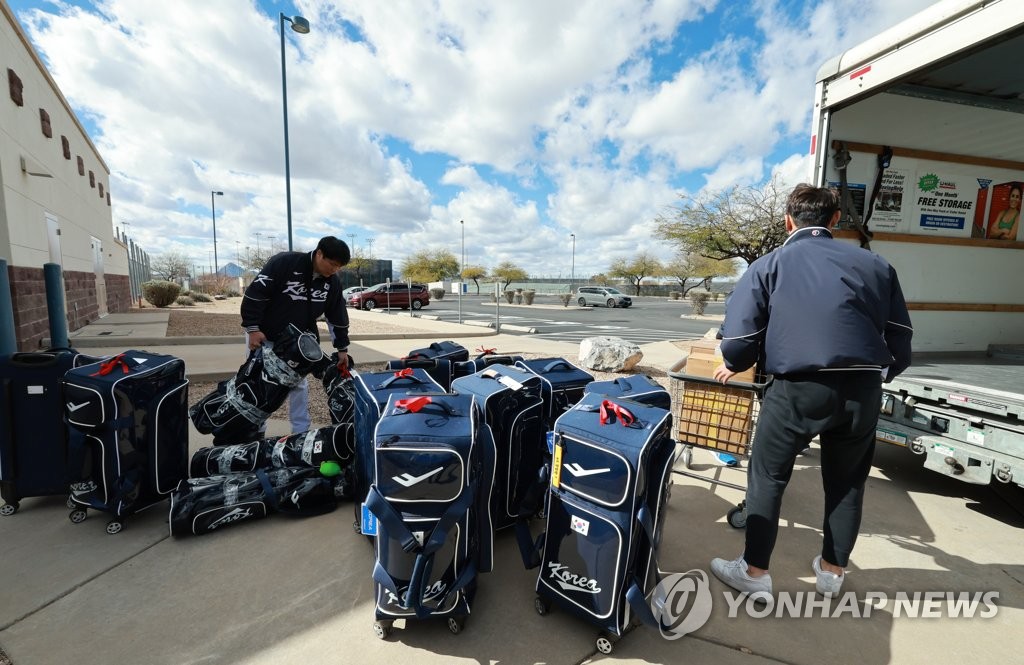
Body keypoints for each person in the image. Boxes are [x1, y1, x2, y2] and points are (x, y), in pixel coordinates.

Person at [709, 184, 913, 601]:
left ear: (789, 221)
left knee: (768, 476)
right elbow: (901, 338)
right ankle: (832, 573)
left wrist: (733, 364)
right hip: (862, 388)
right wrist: (881, 375)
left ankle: (754, 571)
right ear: (835, 220)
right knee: (847, 483)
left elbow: (738, 340)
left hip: (797, 390)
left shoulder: (769, 265)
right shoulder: (876, 265)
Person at [241, 235, 352, 433]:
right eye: (332, 264)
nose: (335, 270)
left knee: (299, 386)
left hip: (299, 342)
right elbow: (255, 294)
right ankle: (255, 430)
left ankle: (300, 432)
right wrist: (253, 328)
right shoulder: (285, 263)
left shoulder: (332, 282)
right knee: (258, 383)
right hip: (265, 335)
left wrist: (342, 348)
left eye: (339, 267)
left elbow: (337, 316)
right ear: (319, 254)